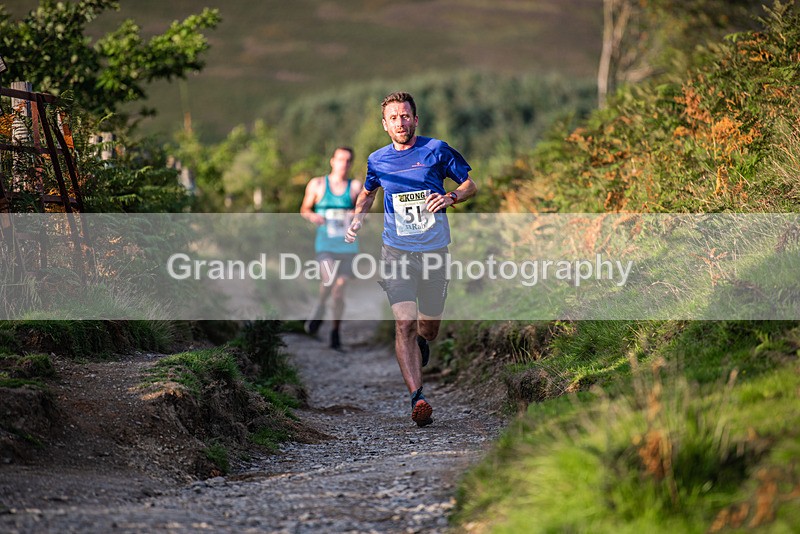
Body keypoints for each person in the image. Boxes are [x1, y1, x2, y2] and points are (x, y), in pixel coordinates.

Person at [345, 92, 477, 427]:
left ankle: (422, 341)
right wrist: (359, 217)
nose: (401, 123)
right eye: (394, 118)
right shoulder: (377, 160)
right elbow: (368, 192)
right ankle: (418, 398)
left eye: (406, 116)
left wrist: (450, 197)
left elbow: (469, 184)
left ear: (415, 120)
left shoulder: (436, 150)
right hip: (396, 251)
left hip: (433, 251)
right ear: (385, 124)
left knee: (428, 328)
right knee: (403, 323)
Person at [300, 146, 362, 351]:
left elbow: (364, 212)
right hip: (325, 243)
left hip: (347, 246)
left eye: (347, 160)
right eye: (340, 159)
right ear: (332, 161)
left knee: (339, 290)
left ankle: (335, 333)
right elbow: (305, 209)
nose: (343, 164)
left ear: (351, 163)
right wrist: (313, 216)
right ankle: (319, 308)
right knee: (328, 280)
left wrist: (356, 215)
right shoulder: (317, 184)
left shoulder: (354, 187)